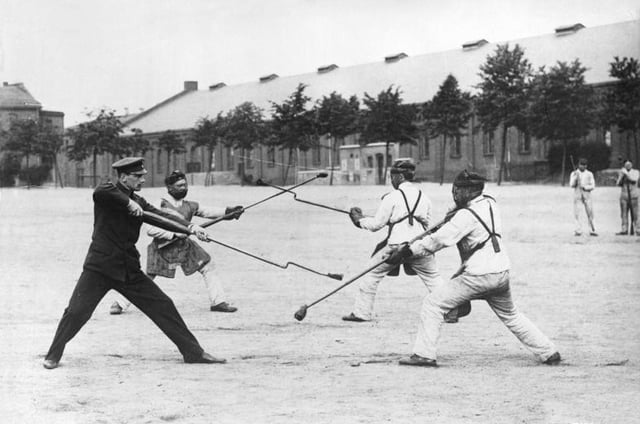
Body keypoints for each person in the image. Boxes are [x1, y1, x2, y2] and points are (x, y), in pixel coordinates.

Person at [43, 158, 226, 370]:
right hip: (99, 268)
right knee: (76, 312)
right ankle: (53, 355)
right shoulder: (108, 194)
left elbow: (161, 216)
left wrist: (191, 228)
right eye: (137, 176)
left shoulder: (139, 200)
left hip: (128, 269)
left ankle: (193, 353)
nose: (143, 179)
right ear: (123, 177)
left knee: (163, 305)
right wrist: (126, 202)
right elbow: (100, 190)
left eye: (143, 175)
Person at [386, 170, 560, 367]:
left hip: (478, 275)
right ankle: (548, 351)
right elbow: (453, 218)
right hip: (500, 272)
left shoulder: (465, 216)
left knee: (432, 304)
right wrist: (451, 213)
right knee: (512, 315)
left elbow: (438, 241)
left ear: (469, 191)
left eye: (458, 190)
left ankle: (424, 354)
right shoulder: (489, 203)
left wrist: (406, 251)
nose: (455, 194)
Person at [109, 170, 243, 315]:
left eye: (185, 185)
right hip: (162, 248)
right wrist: (173, 234)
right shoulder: (160, 204)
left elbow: (208, 211)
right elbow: (150, 230)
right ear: (170, 188)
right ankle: (120, 303)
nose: (184, 188)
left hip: (184, 246)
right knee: (147, 277)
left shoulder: (190, 205)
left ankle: (218, 302)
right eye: (179, 186)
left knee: (208, 266)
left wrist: (229, 212)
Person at [343, 159, 449, 322]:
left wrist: (358, 220)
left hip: (395, 248)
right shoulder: (424, 197)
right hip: (420, 246)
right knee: (433, 278)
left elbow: (376, 225)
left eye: (392, 176)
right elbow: (428, 226)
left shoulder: (392, 197)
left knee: (371, 274)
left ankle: (362, 313)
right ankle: (449, 312)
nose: (391, 180)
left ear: (399, 177)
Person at [569, 158, 597, 236]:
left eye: (584, 165)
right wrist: (575, 179)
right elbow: (571, 185)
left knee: (590, 212)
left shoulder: (589, 174)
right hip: (578, 195)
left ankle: (592, 230)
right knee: (577, 213)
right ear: (578, 165)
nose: (583, 167)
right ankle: (578, 230)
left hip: (587, 195)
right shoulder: (574, 173)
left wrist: (585, 187)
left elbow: (593, 185)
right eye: (581, 165)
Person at [615, 159, 639, 236]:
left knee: (635, 214)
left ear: (632, 165)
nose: (628, 166)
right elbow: (618, 183)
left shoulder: (636, 172)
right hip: (624, 195)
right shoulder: (622, 173)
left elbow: (634, 180)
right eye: (626, 165)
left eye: (629, 164)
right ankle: (624, 229)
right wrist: (621, 176)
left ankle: (637, 229)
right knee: (624, 213)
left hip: (633, 195)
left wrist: (626, 174)